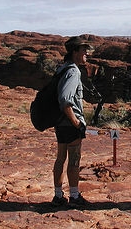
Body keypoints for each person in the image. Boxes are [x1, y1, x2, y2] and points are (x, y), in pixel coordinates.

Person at [52, 36, 93, 208]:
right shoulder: (73, 71)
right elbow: (65, 99)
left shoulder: (62, 69)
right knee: (74, 159)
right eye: (84, 50)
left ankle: (58, 196)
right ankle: (74, 197)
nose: (87, 53)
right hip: (70, 123)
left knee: (60, 158)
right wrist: (76, 122)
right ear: (75, 52)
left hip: (60, 122)